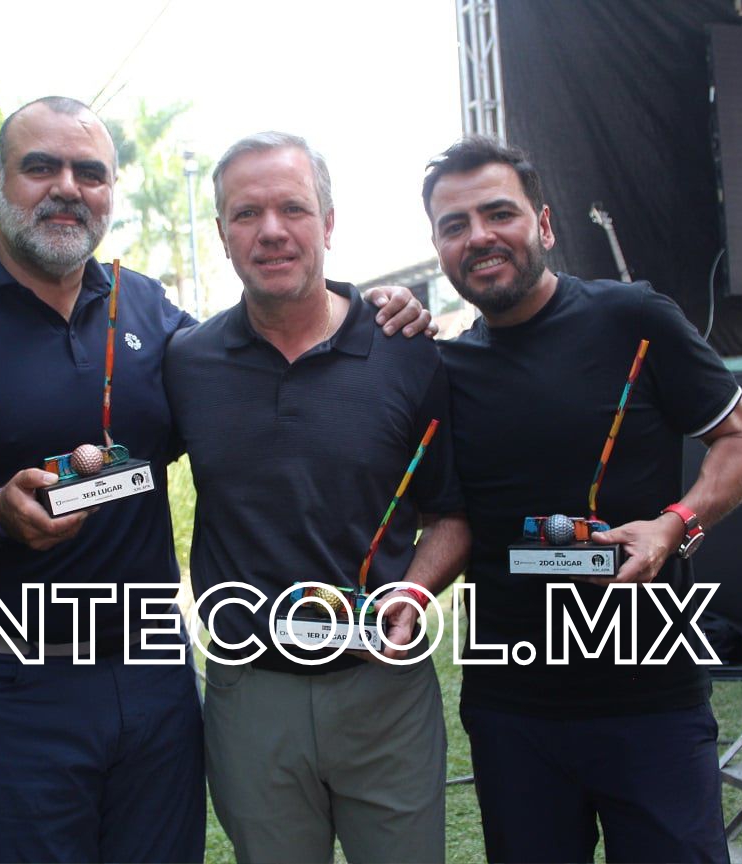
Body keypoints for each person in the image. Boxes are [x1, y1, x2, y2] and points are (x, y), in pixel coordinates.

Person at [0, 97, 429, 864]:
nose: (67, 187)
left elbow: (268, 351)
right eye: (41, 167)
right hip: (4, 683)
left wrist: (371, 308)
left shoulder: (150, 311)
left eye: (90, 173)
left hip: (153, 676)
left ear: (110, 193)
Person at [424, 135, 742, 864]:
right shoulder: (445, 367)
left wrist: (675, 525)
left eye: (498, 213)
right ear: (439, 248)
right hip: (508, 709)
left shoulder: (633, 318)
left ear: (545, 225)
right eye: (455, 225)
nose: (479, 236)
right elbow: (453, 519)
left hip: (651, 698)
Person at [163, 132, 471, 864]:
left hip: (382, 688)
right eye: (247, 214)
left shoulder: (407, 350)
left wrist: (412, 596)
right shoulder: (187, 362)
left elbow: (453, 515)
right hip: (250, 695)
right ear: (222, 234)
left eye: (293, 209)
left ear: (328, 223)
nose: (271, 230)